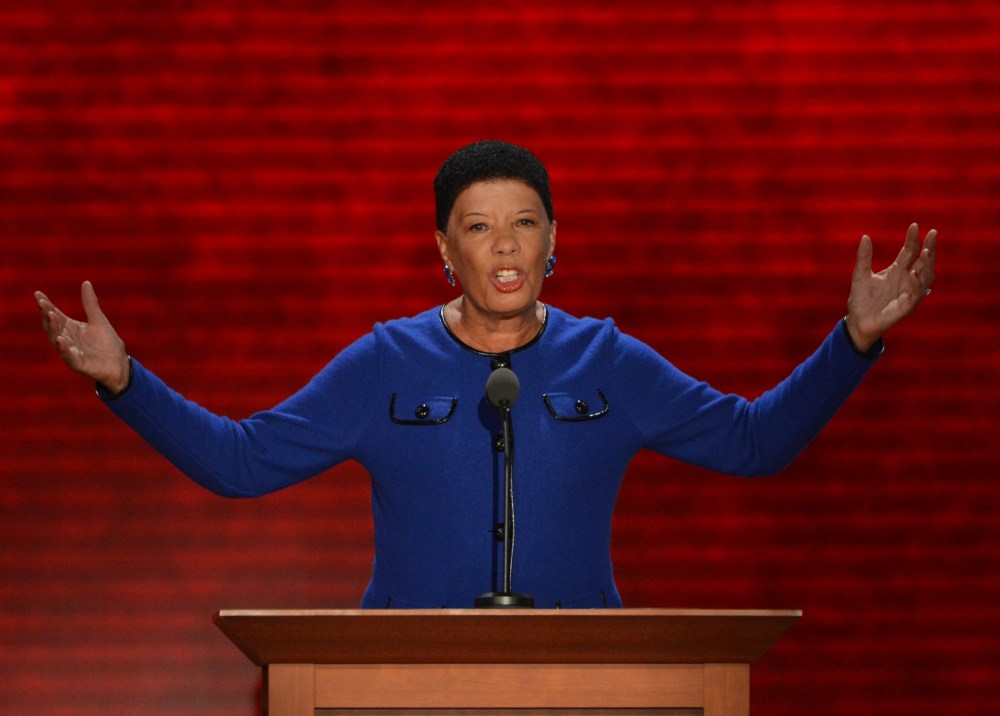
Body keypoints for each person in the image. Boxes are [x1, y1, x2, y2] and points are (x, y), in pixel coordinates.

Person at [34, 140, 937, 609]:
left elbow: (755, 442)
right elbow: (241, 462)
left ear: (553, 240)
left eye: (525, 223)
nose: (505, 246)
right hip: (406, 680)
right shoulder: (383, 363)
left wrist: (852, 341)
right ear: (444, 247)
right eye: (478, 227)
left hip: (581, 678)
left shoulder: (608, 360)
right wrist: (124, 381)